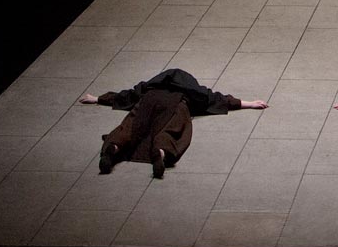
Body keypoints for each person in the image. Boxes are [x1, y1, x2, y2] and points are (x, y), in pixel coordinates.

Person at [79, 69, 267, 178]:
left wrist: (97, 99)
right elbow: (218, 99)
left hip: (148, 101)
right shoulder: (190, 91)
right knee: (169, 130)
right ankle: (159, 153)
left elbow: (125, 96)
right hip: (177, 104)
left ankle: (114, 147)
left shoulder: (150, 87)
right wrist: (250, 103)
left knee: (129, 127)